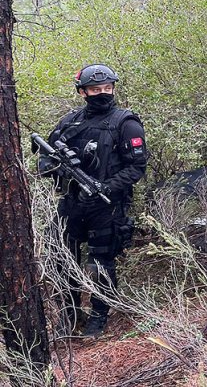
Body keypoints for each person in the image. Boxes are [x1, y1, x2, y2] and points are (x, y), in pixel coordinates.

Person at [39, 64, 147, 337]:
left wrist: (106, 187)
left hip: (106, 205)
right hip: (73, 202)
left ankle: (99, 316)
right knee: (61, 260)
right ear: (82, 92)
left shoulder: (126, 122)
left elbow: (136, 167)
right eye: (95, 89)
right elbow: (45, 157)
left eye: (107, 89)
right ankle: (70, 314)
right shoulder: (70, 122)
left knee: (100, 264)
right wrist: (55, 168)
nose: (102, 94)